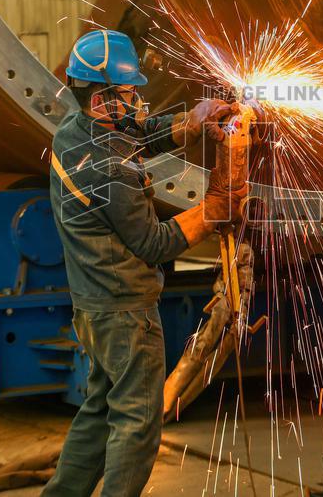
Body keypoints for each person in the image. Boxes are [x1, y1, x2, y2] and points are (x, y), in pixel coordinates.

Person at [42, 30, 246, 497]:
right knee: (137, 422)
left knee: (99, 411)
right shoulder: (107, 169)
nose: (136, 101)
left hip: (94, 307)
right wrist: (213, 209)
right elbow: (154, 243)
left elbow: (138, 135)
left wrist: (193, 121)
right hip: (125, 312)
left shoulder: (76, 134)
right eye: (128, 93)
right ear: (101, 97)